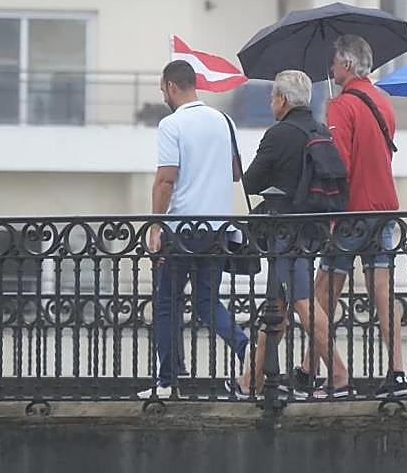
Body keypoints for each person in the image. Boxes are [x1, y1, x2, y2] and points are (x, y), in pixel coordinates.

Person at [140, 60, 249, 400]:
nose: (164, 96)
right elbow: (234, 172)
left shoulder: (171, 125)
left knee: (167, 304)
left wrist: (156, 224)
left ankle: (168, 380)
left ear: (172, 86)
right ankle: (248, 349)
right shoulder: (224, 121)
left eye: (163, 90)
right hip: (218, 228)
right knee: (207, 301)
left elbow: (165, 179)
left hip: (183, 228)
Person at [241, 70, 352, 398]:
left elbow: (252, 182)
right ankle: (251, 380)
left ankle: (339, 374)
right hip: (313, 229)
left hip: (286, 233)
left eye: (273, 96)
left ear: (283, 100)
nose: (270, 101)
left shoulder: (279, 134)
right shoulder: (319, 129)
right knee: (275, 307)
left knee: (303, 303)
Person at [314, 34, 406, 399]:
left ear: (347, 64)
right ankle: (397, 370)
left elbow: (340, 164)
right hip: (385, 207)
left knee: (323, 293)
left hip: (352, 210)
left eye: (335, 62)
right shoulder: (383, 102)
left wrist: (331, 216)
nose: (331, 68)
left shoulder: (340, 106)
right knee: (382, 291)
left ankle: (329, 374)